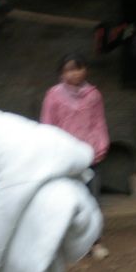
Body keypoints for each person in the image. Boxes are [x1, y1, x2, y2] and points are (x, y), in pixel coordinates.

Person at [40, 53, 110, 258]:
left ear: (85, 70)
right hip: (63, 156)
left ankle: (94, 242)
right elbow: (47, 125)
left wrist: (101, 146)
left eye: (78, 68)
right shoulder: (53, 96)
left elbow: (99, 122)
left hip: (89, 155)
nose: (74, 74)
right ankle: (65, 243)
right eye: (68, 70)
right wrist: (50, 150)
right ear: (61, 74)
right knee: (64, 198)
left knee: (92, 199)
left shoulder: (93, 95)